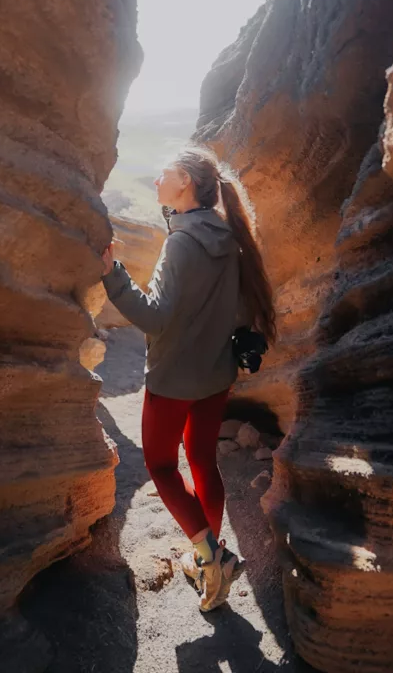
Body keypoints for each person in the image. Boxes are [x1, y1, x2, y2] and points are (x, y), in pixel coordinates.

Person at [100, 145, 275, 612]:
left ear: (186, 185)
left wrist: (112, 274)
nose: (157, 177)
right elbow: (238, 311)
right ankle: (210, 561)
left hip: (173, 378)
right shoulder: (228, 236)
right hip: (216, 376)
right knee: (202, 462)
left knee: (160, 466)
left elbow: (155, 318)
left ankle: (211, 557)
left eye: (166, 171)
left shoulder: (181, 241)